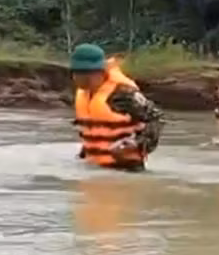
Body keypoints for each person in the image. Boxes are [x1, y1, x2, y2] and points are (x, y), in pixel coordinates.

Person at [70, 43, 165, 172]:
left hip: (127, 168)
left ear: (100, 72)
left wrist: (137, 143)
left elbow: (156, 118)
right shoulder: (84, 93)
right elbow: (93, 129)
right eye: (76, 72)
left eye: (84, 73)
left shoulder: (123, 93)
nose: (77, 78)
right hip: (94, 168)